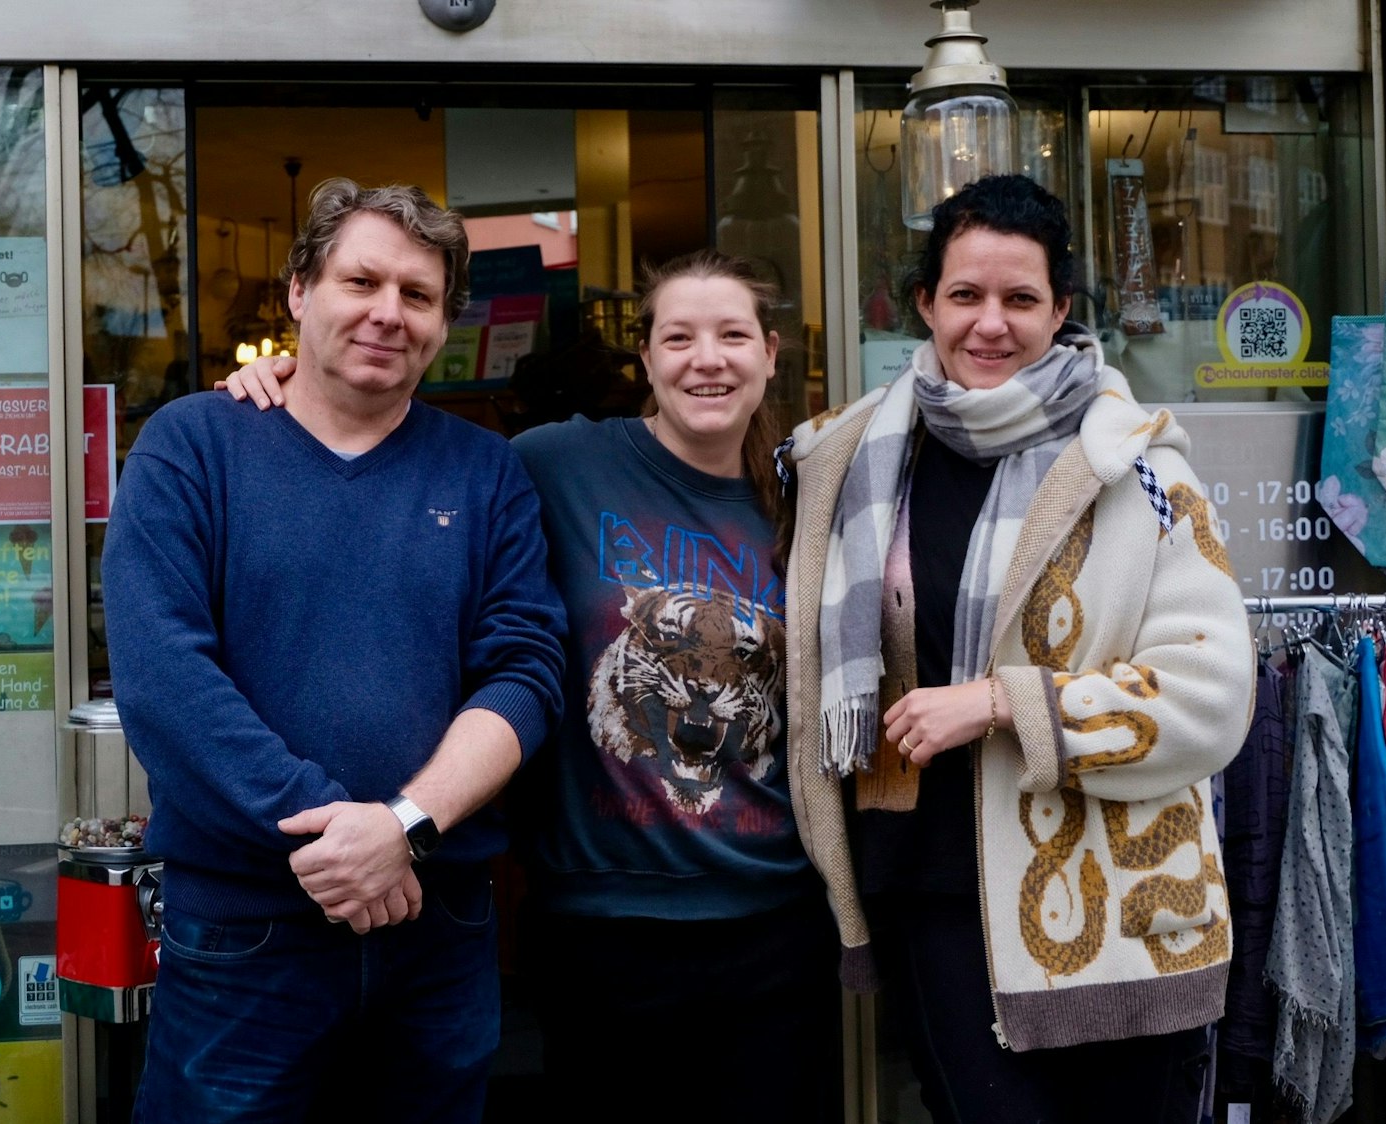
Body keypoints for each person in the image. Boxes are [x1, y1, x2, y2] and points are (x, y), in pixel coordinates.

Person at [221, 249, 841, 1121]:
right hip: (600, 919)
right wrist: (289, 382)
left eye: (733, 335)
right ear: (646, 356)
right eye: (679, 337)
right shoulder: (558, 462)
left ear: (770, 353)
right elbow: (401, 443)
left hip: (777, 915)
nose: (708, 359)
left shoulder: (813, 494)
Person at [782, 173, 1252, 1124]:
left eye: (1019, 299)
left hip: (1119, 903)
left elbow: (1209, 693)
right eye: (964, 295)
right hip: (933, 892)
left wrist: (1004, 702)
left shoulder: (1138, 470)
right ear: (924, 302)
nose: (989, 323)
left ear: (1062, 309)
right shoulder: (847, 460)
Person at [102, 177, 565, 1123]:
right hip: (244, 936)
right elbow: (163, 678)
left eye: (418, 295)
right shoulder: (191, 447)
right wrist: (336, 834)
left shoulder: (486, 473)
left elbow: (525, 671)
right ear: (299, 292)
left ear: (443, 323)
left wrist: (401, 829)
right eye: (361, 282)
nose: (387, 313)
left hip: (436, 930)